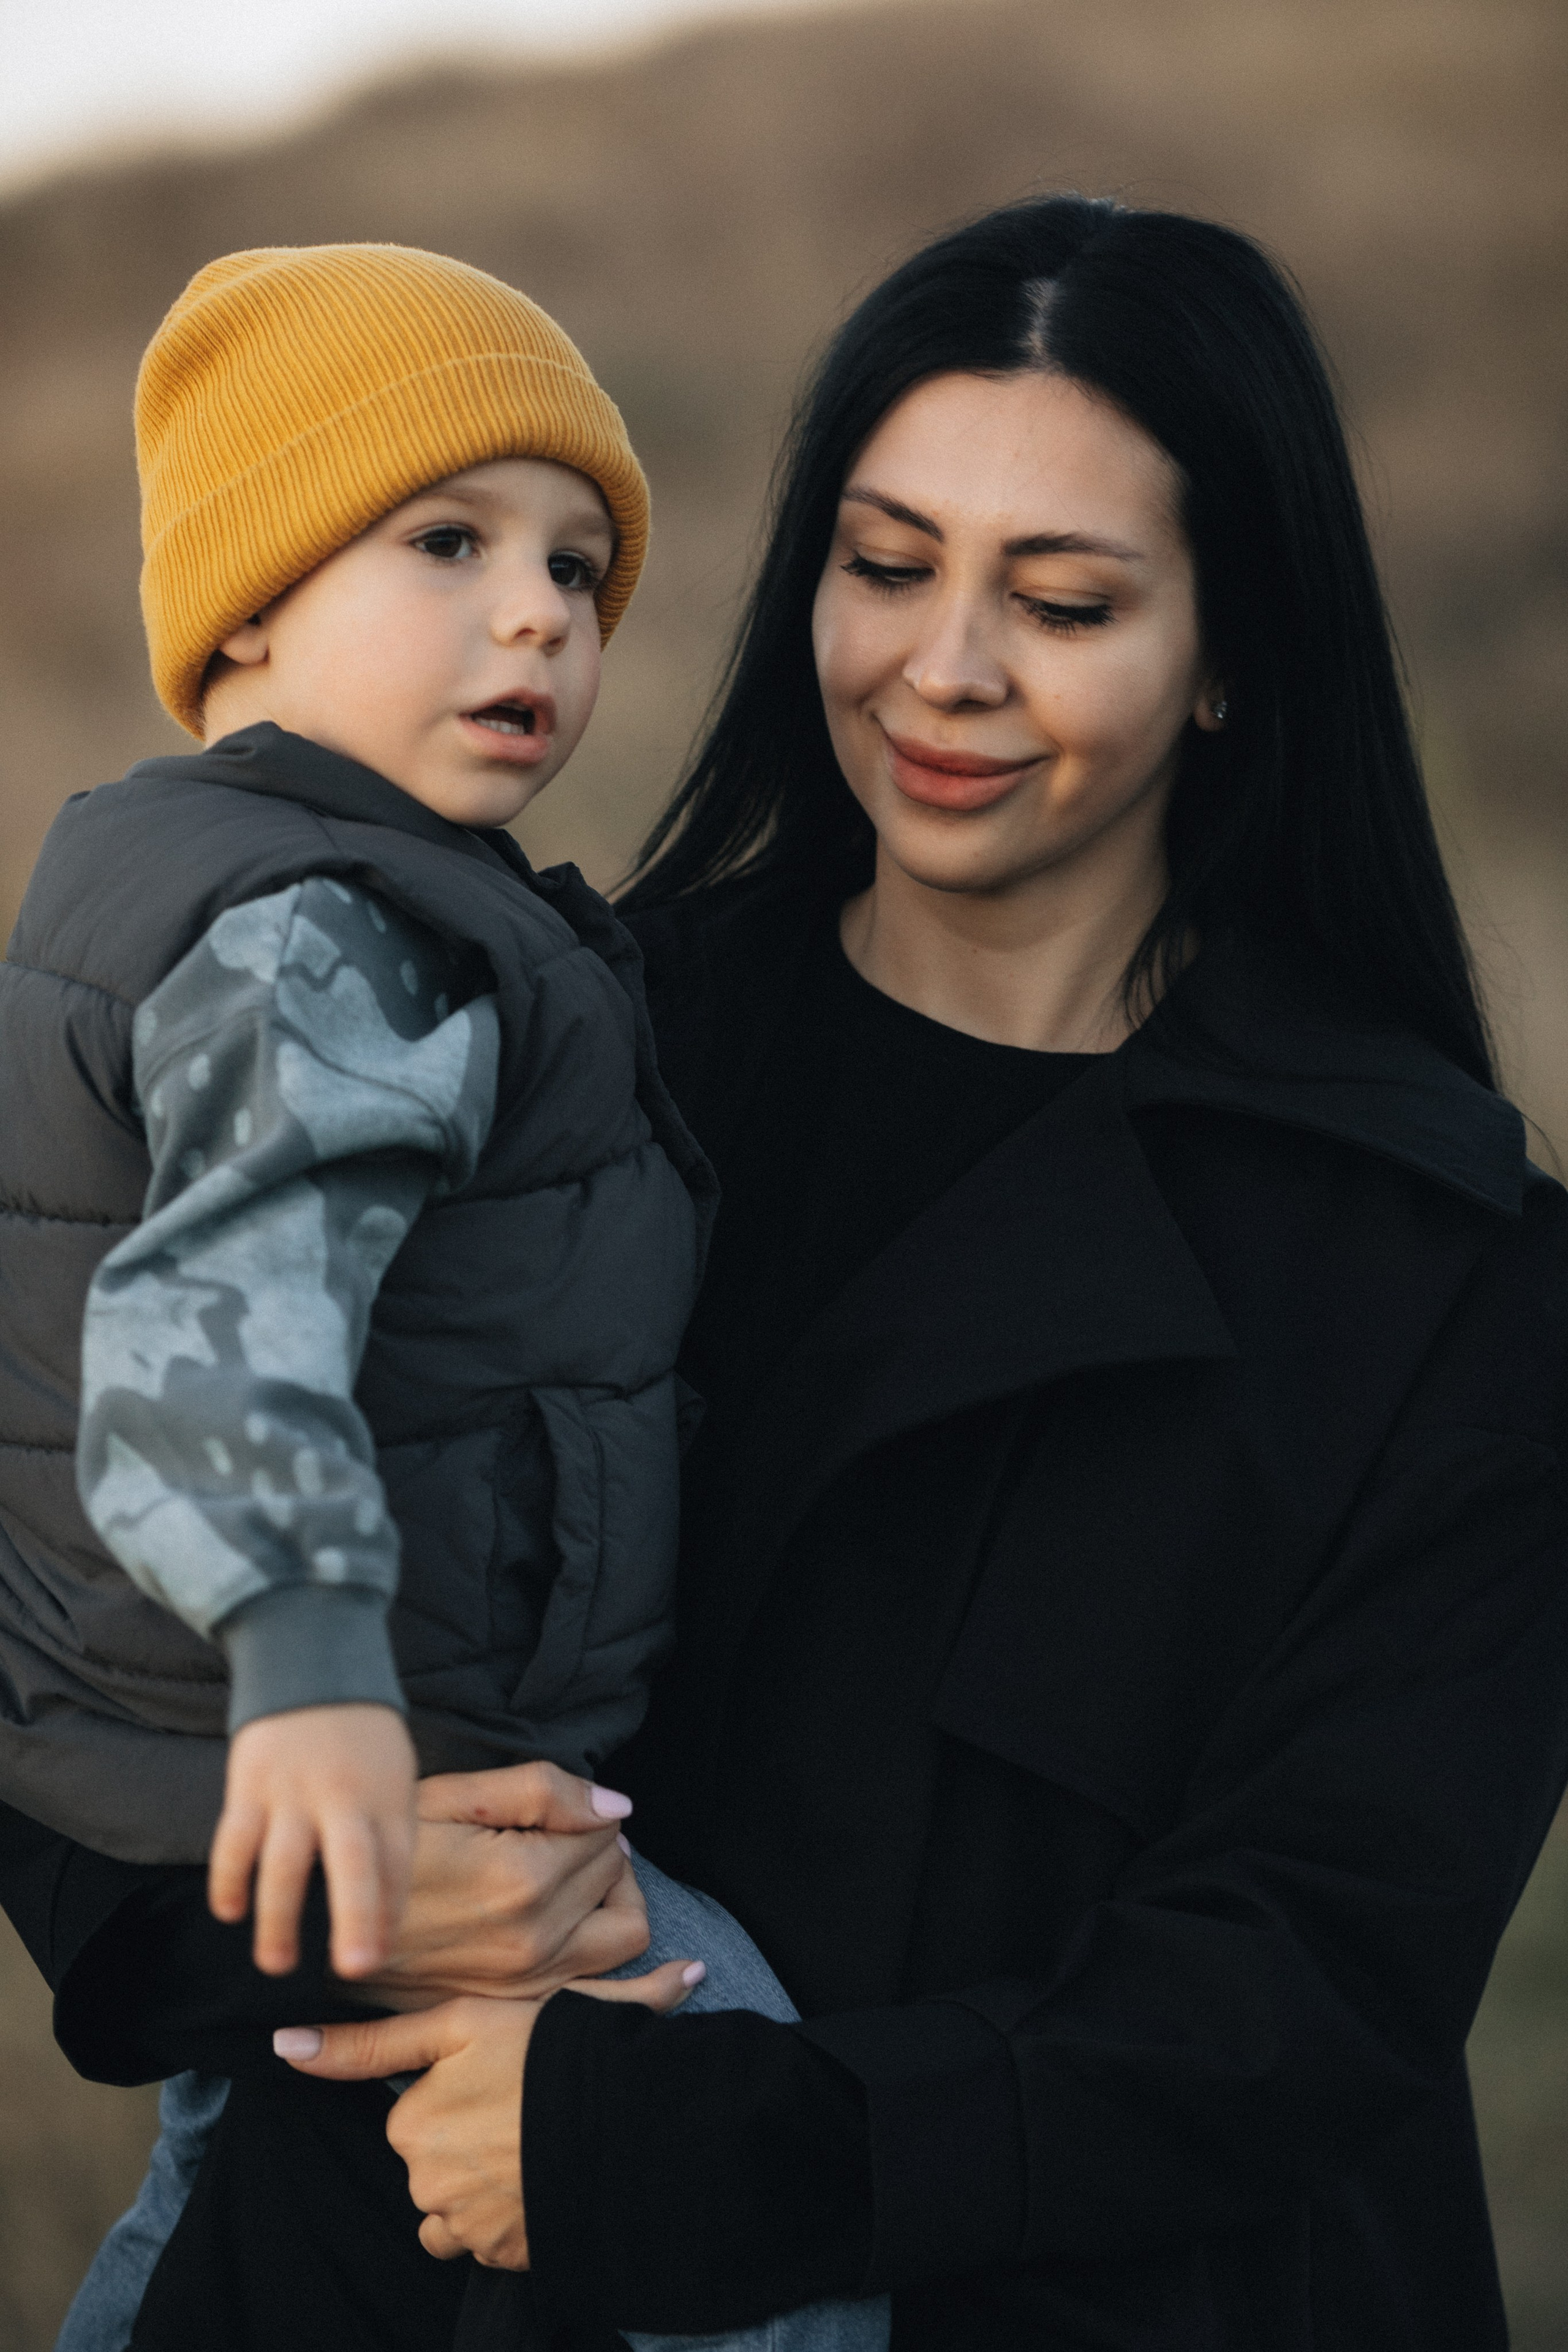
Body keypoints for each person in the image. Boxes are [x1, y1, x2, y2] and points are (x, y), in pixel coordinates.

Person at [256, 194, 1568, 2350]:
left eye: (1062, 601)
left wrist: (685, 2146)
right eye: (883, 568)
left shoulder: (1431, 1262)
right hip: (413, 2254)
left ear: (1234, 652)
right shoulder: (532, 1047)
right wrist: (320, 1918)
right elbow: (108, 1586)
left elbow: (1318, 1980)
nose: (942, 668)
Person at [0, 243, 886, 2352]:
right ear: (250, 604)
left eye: (584, 571)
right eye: (449, 540)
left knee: (237, 2163)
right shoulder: (338, 934)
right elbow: (223, 1317)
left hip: (177, 1759)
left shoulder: (166, 876)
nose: (541, 618)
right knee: (743, 2151)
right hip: (346, 1762)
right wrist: (309, 1667)